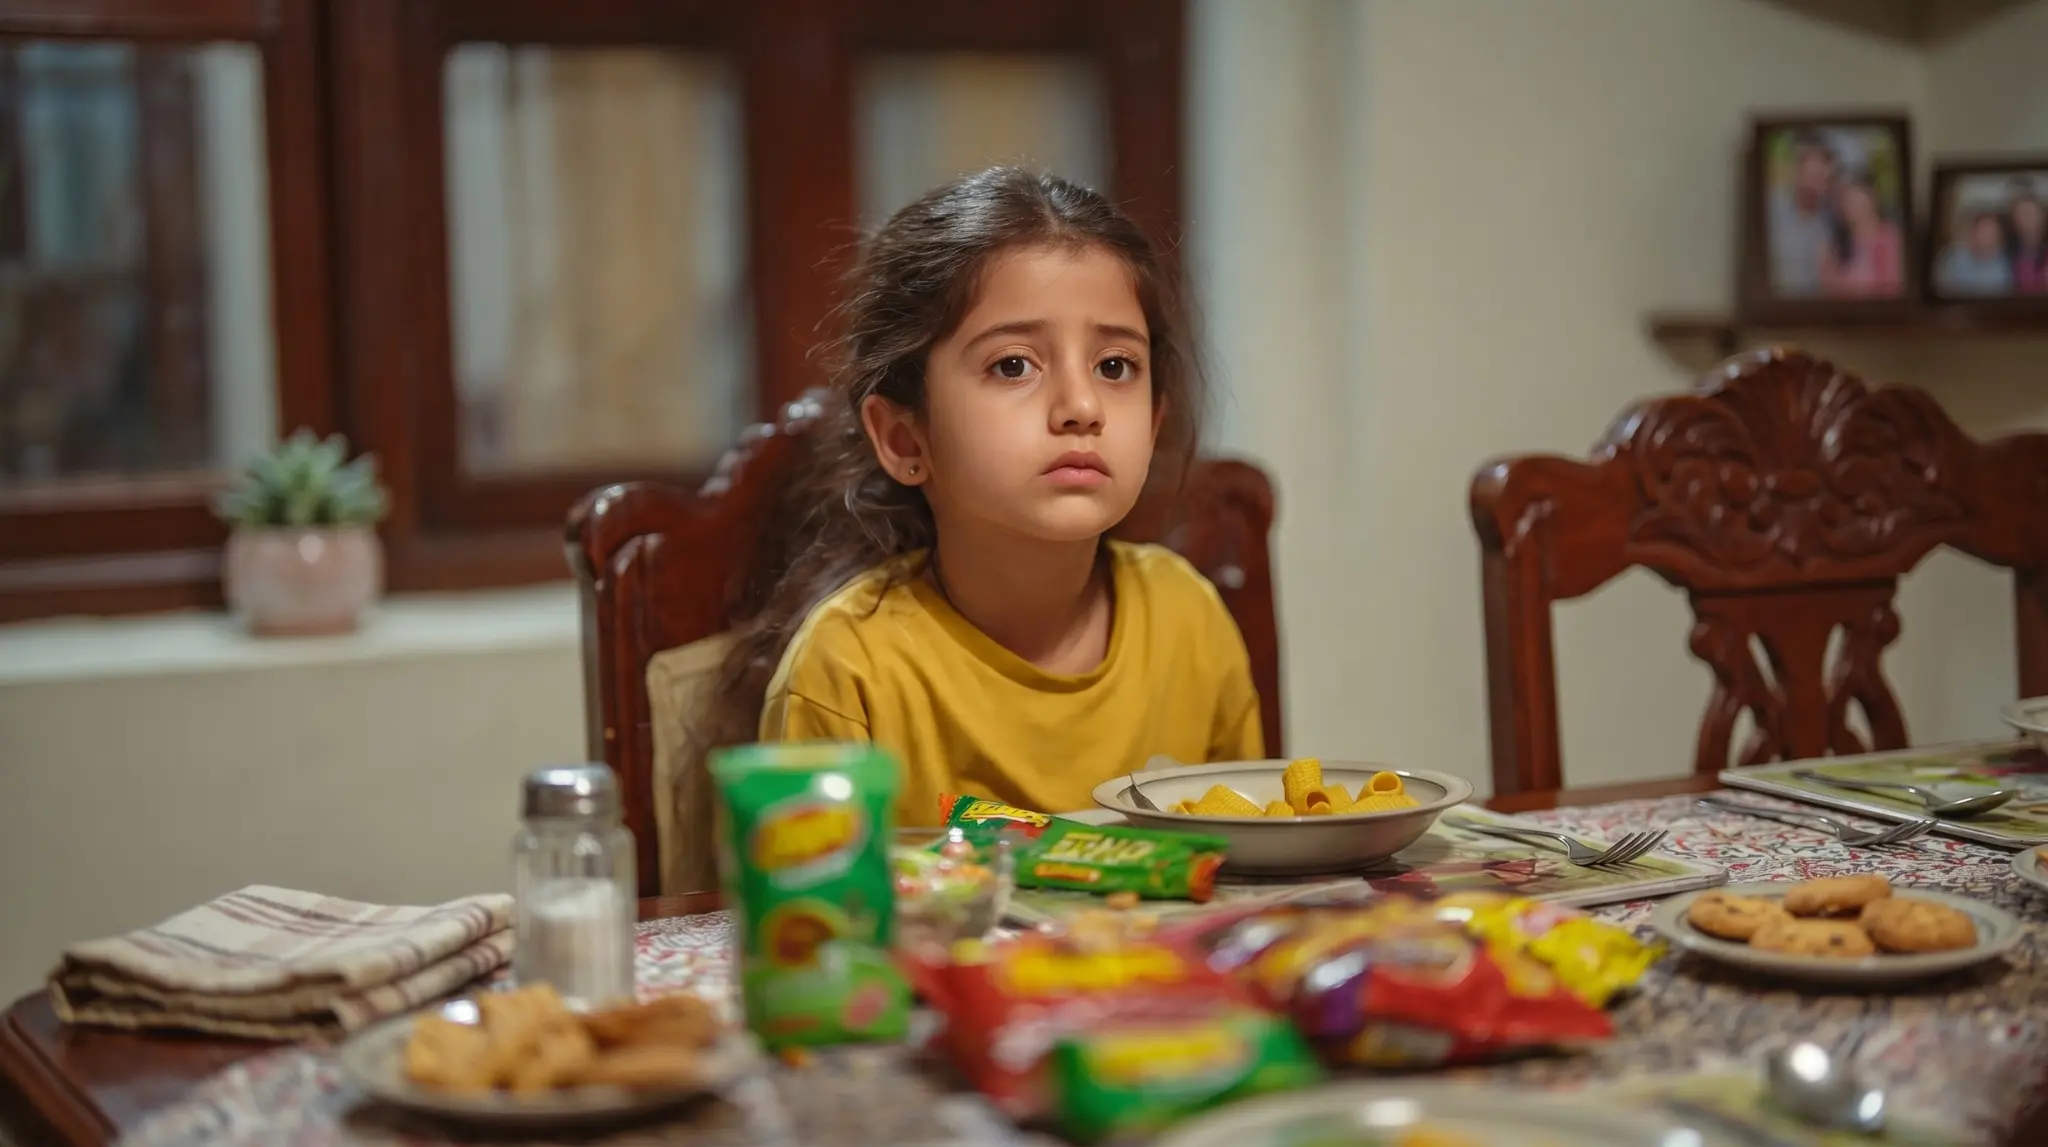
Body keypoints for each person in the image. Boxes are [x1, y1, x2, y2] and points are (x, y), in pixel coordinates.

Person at [692, 167, 1262, 826]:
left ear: (1156, 421)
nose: (1082, 406)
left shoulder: (1190, 619)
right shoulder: (850, 669)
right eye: (1013, 364)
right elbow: (819, 912)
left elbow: (1242, 878)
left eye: (1114, 366)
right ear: (906, 438)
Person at [1768, 131, 1838, 297]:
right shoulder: (1773, 208)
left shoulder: (1831, 220)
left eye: (1826, 163)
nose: (1823, 172)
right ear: (1796, 170)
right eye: (1813, 173)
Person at [1820, 175, 1903, 297]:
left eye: (1856, 198)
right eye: (1847, 199)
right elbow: (1829, 287)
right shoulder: (1836, 244)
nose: (1850, 205)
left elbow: (1893, 285)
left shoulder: (1889, 237)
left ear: (1872, 200)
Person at [1936, 210, 2013, 297]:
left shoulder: (2003, 262)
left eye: (1992, 233)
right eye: (1983, 231)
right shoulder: (1954, 257)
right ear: (1973, 233)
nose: (1987, 237)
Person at [2005, 183, 2047, 294]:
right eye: (2021, 215)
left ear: (2042, 218)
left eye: (2030, 215)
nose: (2025, 221)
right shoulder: (2006, 252)